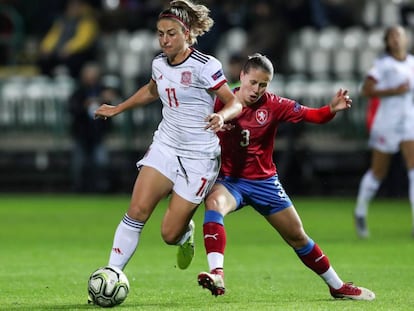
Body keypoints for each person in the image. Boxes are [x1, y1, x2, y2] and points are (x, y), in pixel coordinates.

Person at [197, 53, 375, 300]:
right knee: (213, 203)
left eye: (263, 84)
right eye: (253, 83)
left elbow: (314, 115)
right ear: (242, 77)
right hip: (231, 181)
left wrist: (331, 109)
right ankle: (217, 273)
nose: (257, 89)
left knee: (298, 236)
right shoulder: (221, 103)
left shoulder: (275, 105)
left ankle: (337, 286)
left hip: (265, 182)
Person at [92, 0, 242, 281]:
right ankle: (112, 272)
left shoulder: (205, 66)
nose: (164, 39)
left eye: (171, 33)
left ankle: (185, 234)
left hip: (199, 157)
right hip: (166, 146)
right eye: (160, 33)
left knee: (169, 234)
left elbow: (234, 102)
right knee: (136, 210)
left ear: (187, 34)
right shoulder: (159, 64)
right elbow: (151, 90)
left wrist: (222, 117)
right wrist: (118, 107)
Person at [354, 25, 414, 238]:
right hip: (386, 123)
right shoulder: (382, 65)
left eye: (400, 35)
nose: (397, 39)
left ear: (406, 39)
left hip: (408, 122)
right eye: (392, 36)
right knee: (378, 172)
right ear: (387, 41)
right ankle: (360, 212)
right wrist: (393, 91)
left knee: (413, 169)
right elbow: (366, 90)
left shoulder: (412, 63)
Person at [68, 62, 118, 193]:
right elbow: (72, 108)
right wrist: (84, 105)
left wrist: (105, 98)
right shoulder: (79, 92)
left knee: (101, 162)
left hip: (98, 133)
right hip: (82, 133)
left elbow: (115, 100)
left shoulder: (103, 90)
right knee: (79, 164)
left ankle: (102, 187)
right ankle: (78, 188)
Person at [38, 0, 99, 78]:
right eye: (71, 6)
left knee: (74, 60)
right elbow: (53, 35)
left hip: (78, 53)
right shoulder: (62, 20)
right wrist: (46, 47)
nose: (73, 8)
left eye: (76, 6)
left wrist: (68, 48)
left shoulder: (86, 20)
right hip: (59, 52)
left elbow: (83, 39)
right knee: (44, 59)